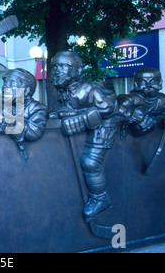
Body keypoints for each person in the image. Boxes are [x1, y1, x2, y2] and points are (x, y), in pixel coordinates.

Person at [48, 51, 120, 221]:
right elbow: (69, 109)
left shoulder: (89, 88)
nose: (56, 71)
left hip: (104, 126)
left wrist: (79, 119)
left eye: (63, 66)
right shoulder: (64, 91)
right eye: (54, 67)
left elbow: (107, 109)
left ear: (76, 71)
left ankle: (101, 198)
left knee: (90, 162)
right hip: (92, 124)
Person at [0, 68, 48, 160]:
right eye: (5, 82)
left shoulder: (36, 108)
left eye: (12, 83)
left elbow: (34, 132)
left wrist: (8, 121)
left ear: (26, 90)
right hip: (1, 155)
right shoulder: (0, 106)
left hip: (28, 158)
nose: (5, 86)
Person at [117, 68, 165, 135]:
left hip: (153, 139)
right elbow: (118, 114)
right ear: (136, 84)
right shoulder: (127, 99)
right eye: (143, 81)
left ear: (160, 82)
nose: (149, 85)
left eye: (153, 81)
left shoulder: (163, 99)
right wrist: (135, 116)